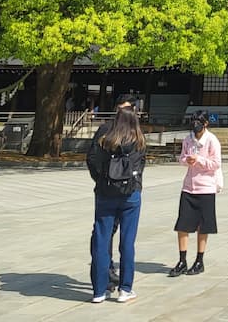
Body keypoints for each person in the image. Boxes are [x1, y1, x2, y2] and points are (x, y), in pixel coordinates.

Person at [86, 99, 146, 303]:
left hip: (106, 191)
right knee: (127, 242)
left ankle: (99, 291)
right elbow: (142, 164)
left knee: (102, 240)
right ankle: (125, 288)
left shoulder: (105, 136)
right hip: (130, 194)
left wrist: (101, 179)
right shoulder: (138, 138)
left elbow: (92, 159)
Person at [170, 111, 223, 278]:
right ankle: (182, 259)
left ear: (206, 123)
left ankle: (200, 260)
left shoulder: (212, 140)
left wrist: (199, 160)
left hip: (206, 187)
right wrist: (187, 160)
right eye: (193, 121)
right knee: (182, 224)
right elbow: (181, 158)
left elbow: (216, 163)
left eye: (199, 121)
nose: (195, 124)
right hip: (189, 186)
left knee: (203, 225)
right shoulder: (188, 139)